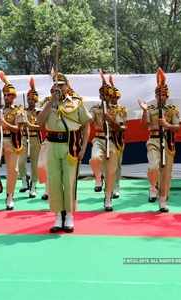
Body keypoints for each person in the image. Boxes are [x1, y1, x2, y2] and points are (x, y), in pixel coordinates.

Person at [37, 72, 91, 233]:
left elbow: (86, 125)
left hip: (70, 145)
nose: (58, 87)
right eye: (56, 84)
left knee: (68, 180)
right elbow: (40, 122)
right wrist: (51, 102)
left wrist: (83, 148)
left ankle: (68, 215)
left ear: (68, 86)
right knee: (53, 180)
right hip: (52, 144)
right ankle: (57, 215)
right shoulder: (48, 103)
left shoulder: (76, 102)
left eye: (61, 84)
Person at [138, 68, 181, 212]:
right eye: (159, 94)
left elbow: (177, 127)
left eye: (164, 95)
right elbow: (144, 124)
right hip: (154, 140)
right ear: (155, 96)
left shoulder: (172, 109)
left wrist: (167, 125)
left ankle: (163, 200)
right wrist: (144, 111)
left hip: (168, 142)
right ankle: (152, 186)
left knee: (166, 173)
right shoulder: (150, 108)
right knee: (153, 166)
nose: (161, 97)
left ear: (167, 96)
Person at [0, 71, 24, 210]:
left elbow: (17, 129)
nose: (7, 97)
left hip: (13, 141)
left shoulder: (19, 111)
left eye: (9, 95)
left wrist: (5, 124)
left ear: (13, 97)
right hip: (0, 139)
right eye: (5, 95)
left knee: (12, 171)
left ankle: (9, 196)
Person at [89, 71, 126, 211]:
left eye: (108, 95)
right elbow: (89, 120)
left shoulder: (118, 110)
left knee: (111, 171)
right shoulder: (95, 108)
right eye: (103, 95)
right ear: (100, 96)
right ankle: (98, 178)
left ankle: (108, 197)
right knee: (94, 159)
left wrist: (109, 118)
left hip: (112, 140)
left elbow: (122, 128)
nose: (105, 97)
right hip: (98, 139)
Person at [18, 77, 43, 198]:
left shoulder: (39, 112)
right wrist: (21, 122)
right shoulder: (22, 110)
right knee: (21, 161)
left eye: (32, 99)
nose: (30, 101)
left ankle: (33, 186)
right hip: (23, 138)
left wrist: (30, 124)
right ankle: (24, 181)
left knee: (35, 164)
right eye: (28, 99)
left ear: (36, 100)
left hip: (35, 138)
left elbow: (41, 127)